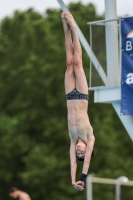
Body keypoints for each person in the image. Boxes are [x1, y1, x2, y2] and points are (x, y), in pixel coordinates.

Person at [61, 12, 95, 191]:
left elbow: (72, 161)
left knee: (68, 63)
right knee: (78, 63)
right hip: (81, 96)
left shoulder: (73, 139)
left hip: (69, 96)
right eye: (82, 152)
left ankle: (65, 29)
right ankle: (74, 27)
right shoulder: (89, 137)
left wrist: (73, 181)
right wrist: (83, 177)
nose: (79, 152)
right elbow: (86, 160)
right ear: (88, 148)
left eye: (78, 153)